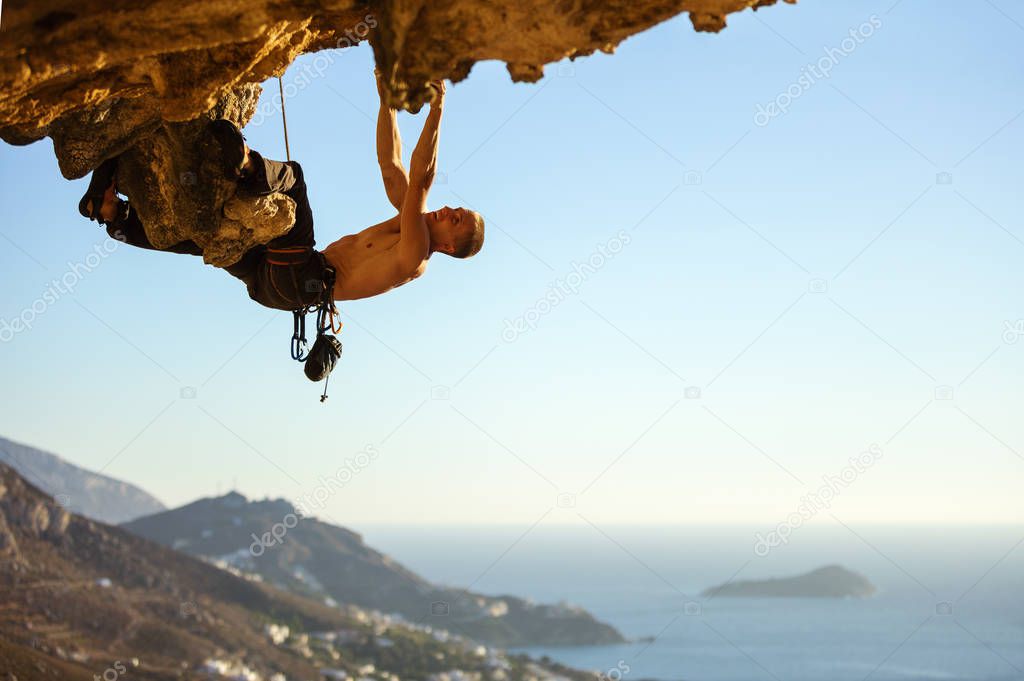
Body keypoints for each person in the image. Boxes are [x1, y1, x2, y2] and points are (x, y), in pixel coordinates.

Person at [78, 74, 484, 311]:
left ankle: (247, 164)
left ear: (448, 248)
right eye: (456, 208)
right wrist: (387, 103)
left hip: (302, 278)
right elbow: (391, 165)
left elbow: (421, 179)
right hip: (274, 285)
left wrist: (438, 107)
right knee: (210, 233)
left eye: (456, 219)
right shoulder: (408, 223)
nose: (448, 210)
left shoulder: (415, 255)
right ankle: (119, 220)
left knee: (294, 183)